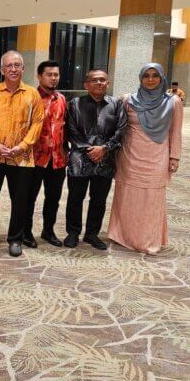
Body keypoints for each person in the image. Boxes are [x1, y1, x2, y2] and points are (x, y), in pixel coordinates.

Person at [0, 50, 44, 257]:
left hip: (21, 157)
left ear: (23, 68)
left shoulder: (32, 94)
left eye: (17, 65)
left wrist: (23, 146)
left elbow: (37, 123)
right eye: (9, 66)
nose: (13, 69)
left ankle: (15, 239)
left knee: (20, 200)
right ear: (2, 70)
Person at [108, 63, 183, 255]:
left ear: (162, 78)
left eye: (155, 75)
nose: (150, 79)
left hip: (157, 156)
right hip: (130, 155)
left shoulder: (173, 102)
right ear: (140, 78)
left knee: (151, 198)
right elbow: (118, 127)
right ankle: (122, 235)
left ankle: (148, 240)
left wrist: (174, 156)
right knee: (127, 196)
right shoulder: (128, 100)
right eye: (146, 76)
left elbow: (176, 131)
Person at [64, 69, 127, 250]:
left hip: (105, 161)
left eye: (102, 80)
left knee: (99, 200)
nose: (99, 83)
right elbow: (70, 130)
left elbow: (121, 130)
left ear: (108, 83)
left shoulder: (117, 104)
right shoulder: (75, 104)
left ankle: (92, 234)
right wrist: (89, 150)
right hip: (79, 161)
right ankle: (73, 233)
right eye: (94, 80)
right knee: (75, 198)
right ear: (86, 84)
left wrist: (104, 148)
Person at [24, 60, 68, 247]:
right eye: (49, 75)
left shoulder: (62, 99)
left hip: (58, 158)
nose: (53, 78)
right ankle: (26, 232)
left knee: (53, 198)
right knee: (29, 198)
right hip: (35, 158)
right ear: (39, 77)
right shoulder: (30, 98)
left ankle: (48, 231)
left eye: (56, 75)